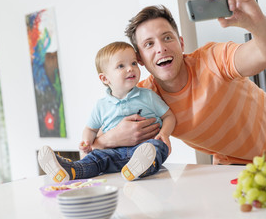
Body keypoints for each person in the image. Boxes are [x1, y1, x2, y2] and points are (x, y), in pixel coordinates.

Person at [92, 0, 266, 166]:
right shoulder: (144, 98)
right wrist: (109, 139)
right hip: (236, 169)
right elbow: (94, 141)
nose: (161, 48)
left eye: (167, 38)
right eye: (149, 44)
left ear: (181, 43)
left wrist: (254, 21)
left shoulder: (212, 59)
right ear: (140, 59)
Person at [38, 42, 176, 183]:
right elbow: (90, 129)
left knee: (158, 147)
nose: (130, 69)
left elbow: (169, 116)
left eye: (134, 63)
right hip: (112, 152)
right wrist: (86, 141)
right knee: (95, 158)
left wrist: (164, 134)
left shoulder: (148, 96)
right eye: (121, 66)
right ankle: (70, 170)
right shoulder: (101, 105)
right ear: (105, 78)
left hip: (144, 148)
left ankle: (140, 169)